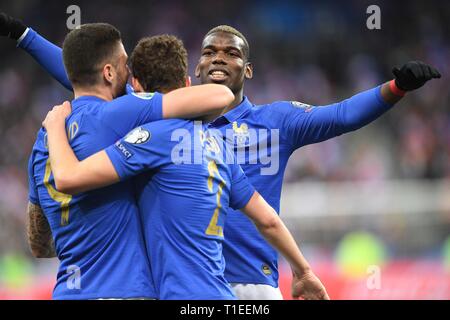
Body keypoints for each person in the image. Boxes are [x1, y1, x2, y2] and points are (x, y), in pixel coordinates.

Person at [1, 14, 441, 299]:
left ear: (247, 70)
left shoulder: (276, 122)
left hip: (251, 286)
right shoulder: (168, 123)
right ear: (193, 69)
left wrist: (394, 89)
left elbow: (341, 115)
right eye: (209, 50)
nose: (218, 57)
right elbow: (90, 83)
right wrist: (25, 36)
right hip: (186, 288)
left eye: (232, 52)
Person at [26, 23, 234, 299]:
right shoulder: (120, 114)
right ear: (109, 72)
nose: (130, 75)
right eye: (125, 65)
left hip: (67, 291)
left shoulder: (42, 144)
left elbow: (39, 245)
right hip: (122, 290)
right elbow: (220, 96)